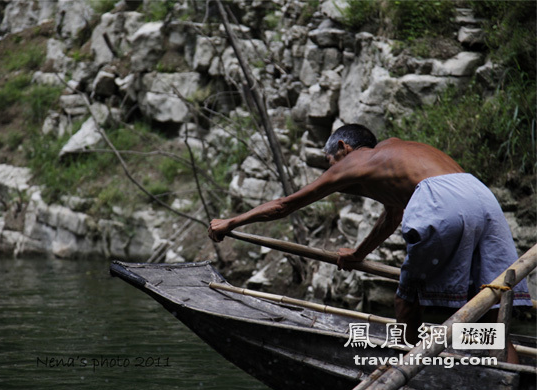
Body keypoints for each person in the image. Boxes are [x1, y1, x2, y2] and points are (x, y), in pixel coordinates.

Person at [208, 123, 532, 352]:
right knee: (489, 299)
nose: (332, 173)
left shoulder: (358, 160)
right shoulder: (393, 158)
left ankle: (406, 367)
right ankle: (502, 371)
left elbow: (283, 206)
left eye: (330, 164)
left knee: (408, 298)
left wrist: (230, 223)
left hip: (441, 199)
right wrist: (359, 254)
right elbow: (392, 216)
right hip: (480, 194)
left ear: (343, 148)